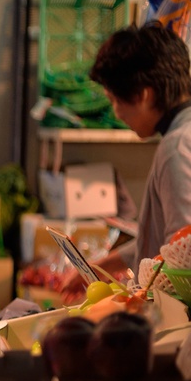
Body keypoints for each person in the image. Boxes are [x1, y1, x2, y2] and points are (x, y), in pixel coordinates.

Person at [61, 21, 191, 298]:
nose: (116, 113)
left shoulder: (177, 146)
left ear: (143, 95)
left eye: (115, 100)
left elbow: (183, 254)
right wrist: (103, 265)